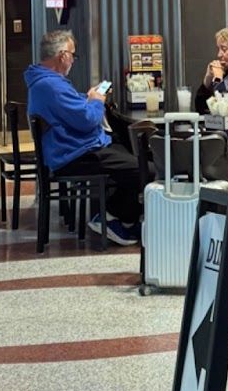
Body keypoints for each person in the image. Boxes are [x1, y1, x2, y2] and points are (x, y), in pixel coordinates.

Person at [25, 28, 143, 245]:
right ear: (63, 56)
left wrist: (88, 97)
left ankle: (120, 217)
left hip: (71, 149)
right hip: (74, 155)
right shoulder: (51, 85)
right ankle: (113, 218)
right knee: (142, 168)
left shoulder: (44, 81)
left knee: (126, 154)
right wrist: (97, 100)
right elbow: (88, 120)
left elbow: (71, 108)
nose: (73, 61)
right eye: (73, 55)